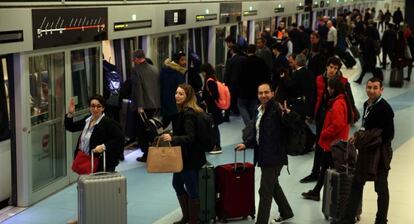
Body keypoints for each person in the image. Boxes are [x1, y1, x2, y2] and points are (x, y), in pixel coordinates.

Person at [235, 83, 296, 224]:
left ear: (272, 93)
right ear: (257, 95)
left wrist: (289, 114)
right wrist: (246, 143)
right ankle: (286, 212)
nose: (264, 95)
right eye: (261, 93)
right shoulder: (260, 110)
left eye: (266, 92)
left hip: (274, 157)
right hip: (264, 155)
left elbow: (291, 124)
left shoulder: (277, 110)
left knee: (265, 191)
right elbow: (258, 133)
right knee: (273, 185)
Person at [340, 77, 394, 224]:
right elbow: (366, 127)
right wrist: (358, 136)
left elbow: (389, 135)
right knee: (357, 184)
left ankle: (381, 220)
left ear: (381, 90)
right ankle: (348, 219)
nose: (371, 90)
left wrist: (368, 138)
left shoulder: (385, 109)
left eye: (375, 88)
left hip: (381, 154)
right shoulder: (367, 104)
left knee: (381, 188)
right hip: (366, 152)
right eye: (369, 87)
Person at [160, 84, 207, 224]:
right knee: (177, 184)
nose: (177, 96)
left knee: (192, 190)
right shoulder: (185, 111)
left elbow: (190, 137)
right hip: (182, 157)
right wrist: (174, 134)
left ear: (188, 97)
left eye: (181, 94)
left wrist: (173, 138)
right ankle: (187, 217)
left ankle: (193, 220)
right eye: (176, 93)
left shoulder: (188, 113)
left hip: (189, 159)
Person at [301, 77, 353, 201]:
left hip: (333, 143)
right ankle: (316, 192)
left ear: (334, 89)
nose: (328, 89)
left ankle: (339, 197)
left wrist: (324, 133)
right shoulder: (341, 100)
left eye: (329, 87)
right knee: (325, 168)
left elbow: (337, 124)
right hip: (336, 142)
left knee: (330, 169)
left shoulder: (338, 103)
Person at [65, 95, 124, 172]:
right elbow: (71, 127)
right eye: (93, 106)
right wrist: (70, 113)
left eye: (98, 106)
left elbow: (120, 139)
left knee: (98, 184)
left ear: (103, 108)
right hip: (86, 160)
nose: (95, 109)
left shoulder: (108, 123)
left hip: (102, 164)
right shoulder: (87, 120)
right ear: (89, 107)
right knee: (86, 183)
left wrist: (103, 146)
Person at [131, 49, 161, 162]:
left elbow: (137, 88)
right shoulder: (155, 68)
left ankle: (147, 154)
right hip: (155, 105)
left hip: (142, 106)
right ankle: (156, 151)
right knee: (152, 129)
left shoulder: (136, 70)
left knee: (142, 131)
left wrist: (139, 106)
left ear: (136, 59)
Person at [200, 63, 223, 154]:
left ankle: (217, 146)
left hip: (213, 109)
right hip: (214, 108)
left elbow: (215, 95)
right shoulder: (213, 78)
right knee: (213, 127)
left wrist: (206, 101)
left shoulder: (209, 81)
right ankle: (214, 145)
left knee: (214, 127)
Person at [160, 51, 187, 128]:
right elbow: (181, 90)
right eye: (182, 60)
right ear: (176, 60)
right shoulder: (179, 73)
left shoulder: (163, 70)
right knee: (177, 129)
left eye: (185, 59)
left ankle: (153, 138)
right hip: (176, 105)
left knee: (162, 126)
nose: (185, 62)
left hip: (165, 103)